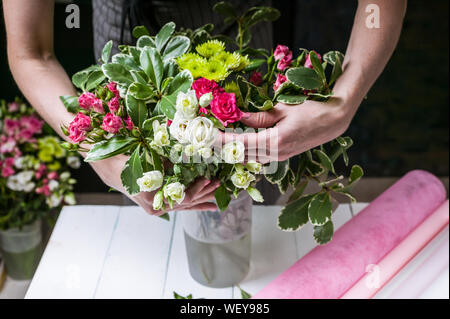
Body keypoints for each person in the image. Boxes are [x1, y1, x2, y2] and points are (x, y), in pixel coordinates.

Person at [2, 0, 407, 214]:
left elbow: (377, 5)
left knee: (251, 186)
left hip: (241, 41)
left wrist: (341, 105)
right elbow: (31, 53)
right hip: (130, 38)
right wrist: (98, 150)